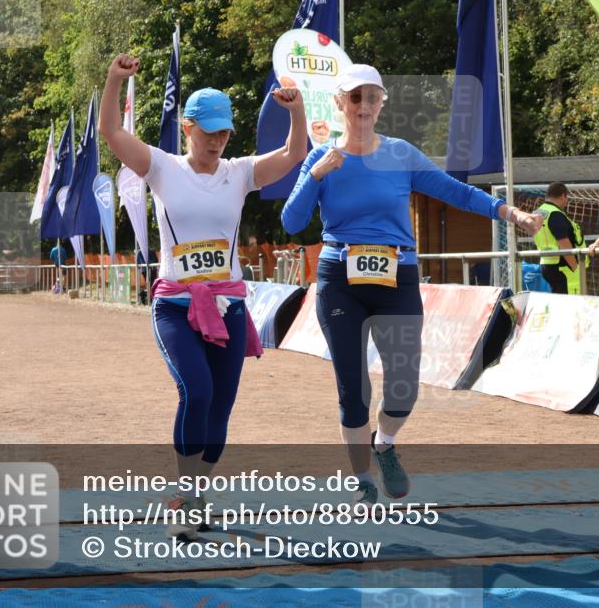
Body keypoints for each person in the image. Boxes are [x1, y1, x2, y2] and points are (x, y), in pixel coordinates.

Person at [281, 64, 542, 505]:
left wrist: (509, 213)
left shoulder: (401, 155)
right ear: (340, 103)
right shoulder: (319, 157)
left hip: (395, 276)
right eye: (356, 97)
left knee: (404, 385)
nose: (365, 105)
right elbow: (291, 221)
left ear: (382, 104)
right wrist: (316, 175)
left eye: (373, 97)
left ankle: (384, 444)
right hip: (338, 277)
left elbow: (456, 192)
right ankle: (362, 478)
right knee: (352, 385)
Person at [99, 53, 307, 541]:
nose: (217, 141)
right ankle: (182, 498)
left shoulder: (239, 173)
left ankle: (196, 496)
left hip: (230, 306)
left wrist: (296, 110)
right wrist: (113, 80)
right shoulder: (162, 167)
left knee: (221, 407)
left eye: (224, 133)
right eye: (208, 131)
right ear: (187, 127)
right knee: (197, 391)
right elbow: (111, 132)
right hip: (175, 305)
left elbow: (294, 154)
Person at [532, 182, 587, 294]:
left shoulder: (537, 213)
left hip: (546, 264)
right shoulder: (555, 214)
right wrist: (575, 268)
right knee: (570, 304)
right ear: (563, 196)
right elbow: (564, 243)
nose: (566, 202)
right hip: (562, 267)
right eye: (566, 198)